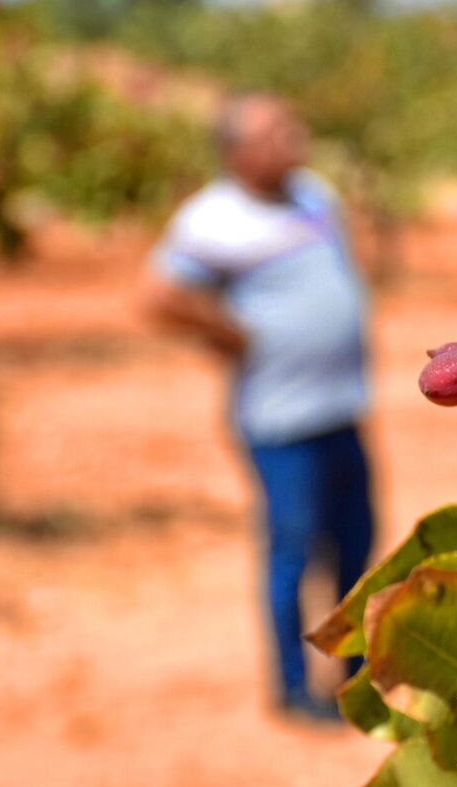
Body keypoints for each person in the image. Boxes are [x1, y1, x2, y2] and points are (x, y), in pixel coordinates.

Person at [145, 93, 374, 722]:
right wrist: (228, 333)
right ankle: (295, 688)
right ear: (238, 152)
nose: (294, 137)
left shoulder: (313, 195)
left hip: (339, 407)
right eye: (276, 132)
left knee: (356, 543)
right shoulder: (211, 219)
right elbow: (160, 295)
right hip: (279, 420)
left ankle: (357, 677)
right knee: (294, 548)